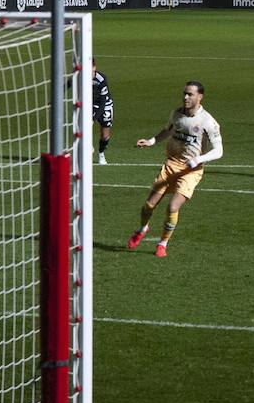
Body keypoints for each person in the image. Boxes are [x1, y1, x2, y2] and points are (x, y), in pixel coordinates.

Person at [127, 81, 224, 258]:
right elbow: (167, 131)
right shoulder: (176, 114)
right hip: (171, 164)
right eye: (184, 93)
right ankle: (142, 229)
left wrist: (198, 159)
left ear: (200, 97)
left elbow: (219, 151)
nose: (186, 97)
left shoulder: (207, 121)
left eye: (190, 94)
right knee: (149, 205)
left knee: (172, 207)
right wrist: (151, 141)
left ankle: (162, 243)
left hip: (190, 171)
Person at [91, 58, 114, 164]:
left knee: (105, 135)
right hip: (90, 104)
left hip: (105, 105)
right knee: (82, 127)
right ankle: (88, 147)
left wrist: (94, 119)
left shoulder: (101, 79)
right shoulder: (80, 76)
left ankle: (101, 153)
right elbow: (68, 84)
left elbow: (103, 103)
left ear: (94, 67)